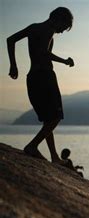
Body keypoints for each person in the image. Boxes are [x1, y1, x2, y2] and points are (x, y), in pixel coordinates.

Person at [7, 7, 74, 163]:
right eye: (63, 27)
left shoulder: (34, 27)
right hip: (45, 77)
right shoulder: (48, 30)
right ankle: (32, 146)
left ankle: (54, 156)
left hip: (32, 77)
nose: (62, 31)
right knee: (56, 117)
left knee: (48, 119)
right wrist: (65, 61)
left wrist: (13, 65)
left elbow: (10, 39)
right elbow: (44, 53)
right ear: (57, 19)